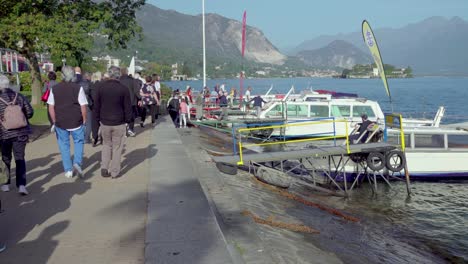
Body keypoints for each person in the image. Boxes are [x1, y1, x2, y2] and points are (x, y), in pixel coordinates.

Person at [48, 66, 88, 178]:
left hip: (61, 121)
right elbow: (83, 106)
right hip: (76, 120)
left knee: (64, 146)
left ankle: (68, 170)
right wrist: (84, 119)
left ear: (62, 76)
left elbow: (51, 107)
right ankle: (77, 162)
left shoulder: (54, 89)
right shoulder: (78, 88)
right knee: (79, 142)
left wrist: (54, 121)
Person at [93, 66, 132, 178]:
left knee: (106, 145)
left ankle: (104, 167)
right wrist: (128, 121)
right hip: (119, 121)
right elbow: (127, 107)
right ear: (118, 75)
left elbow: (97, 106)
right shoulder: (123, 89)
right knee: (117, 147)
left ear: (109, 74)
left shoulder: (101, 88)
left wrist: (96, 120)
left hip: (105, 121)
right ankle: (114, 171)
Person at [0, 74, 34, 194]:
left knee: (6, 158)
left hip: (4, 134)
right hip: (21, 133)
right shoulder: (19, 96)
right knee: (20, 158)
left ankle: (6, 183)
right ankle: (21, 185)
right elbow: (30, 112)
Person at [119, 67, 139, 136]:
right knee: (131, 116)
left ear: (121, 72)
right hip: (131, 101)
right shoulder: (132, 80)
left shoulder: (118, 80)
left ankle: (124, 131)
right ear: (127, 72)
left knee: (122, 116)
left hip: (120, 101)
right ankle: (130, 129)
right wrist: (140, 98)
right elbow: (136, 91)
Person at [79, 72, 93, 143]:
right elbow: (92, 95)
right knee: (88, 122)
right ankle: (86, 138)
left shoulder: (78, 84)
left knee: (81, 121)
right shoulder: (89, 84)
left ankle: (81, 136)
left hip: (79, 104)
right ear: (88, 77)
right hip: (87, 104)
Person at [90, 72, 102, 147]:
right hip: (101, 106)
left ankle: (94, 137)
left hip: (94, 106)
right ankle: (103, 138)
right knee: (102, 122)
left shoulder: (91, 85)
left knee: (94, 123)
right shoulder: (102, 85)